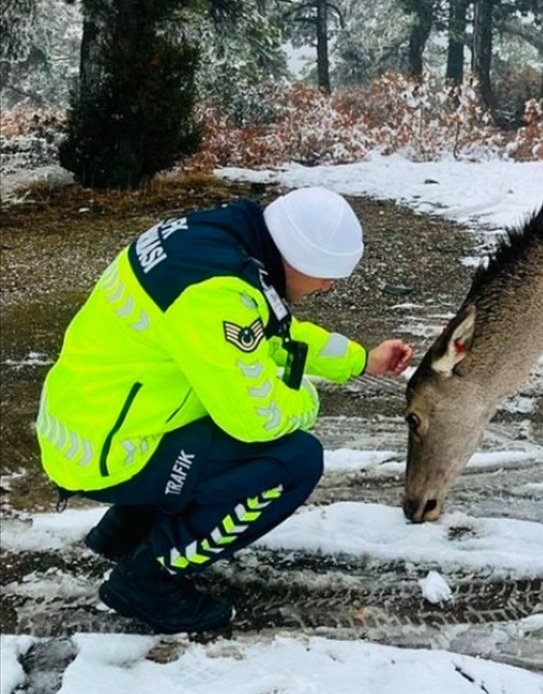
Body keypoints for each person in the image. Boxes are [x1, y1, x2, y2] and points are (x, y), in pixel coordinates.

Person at [36, 187, 413, 634]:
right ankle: (150, 579)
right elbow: (257, 418)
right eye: (326, 275)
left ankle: (125, 532)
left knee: (218, 404)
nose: (329, 286)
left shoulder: (217, 244)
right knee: (292, 460)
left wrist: (361, 360)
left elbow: (272, 332)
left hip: (90, 422)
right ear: (300, 258)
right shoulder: (215, 296)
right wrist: (307, 401)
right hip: (110, 452)